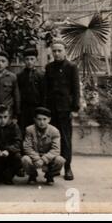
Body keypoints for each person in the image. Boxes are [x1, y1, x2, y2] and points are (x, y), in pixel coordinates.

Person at [44, 39, 80, 181]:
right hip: (51, 110)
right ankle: (53, 168)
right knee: (51, 139)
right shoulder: (49, 67)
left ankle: (68, 168)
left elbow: (75, 89)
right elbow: (46, 90)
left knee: (65, 140)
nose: (57, 53)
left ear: (65, 51)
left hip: (65, 109)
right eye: (54, 51)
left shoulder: (71, 67)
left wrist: (74, 108)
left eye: (59, 51)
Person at [21, 107, 66, 185]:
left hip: (48, 157)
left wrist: (44, 159)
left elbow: (56, 150)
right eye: (39, 119)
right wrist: (37, 158)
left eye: (44, 119)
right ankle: (32, 175)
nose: (42, 122)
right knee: (25, 159)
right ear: (35, 119)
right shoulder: (29, 130)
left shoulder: (54, 131)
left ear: (49, 119)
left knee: (60, 160)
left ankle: (50, 175)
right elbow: (27, 147)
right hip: (34, 156)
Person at [17, 48, 45, 133]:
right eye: (27, 59)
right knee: (24, 129)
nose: (29, 62)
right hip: (24, 108)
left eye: (32, 59)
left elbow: (43, 93)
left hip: (36, 107)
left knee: (36, 130)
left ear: (36, 60)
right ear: (24, 60)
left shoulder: (41, 75)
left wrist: (42, 109)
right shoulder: (20, 76)